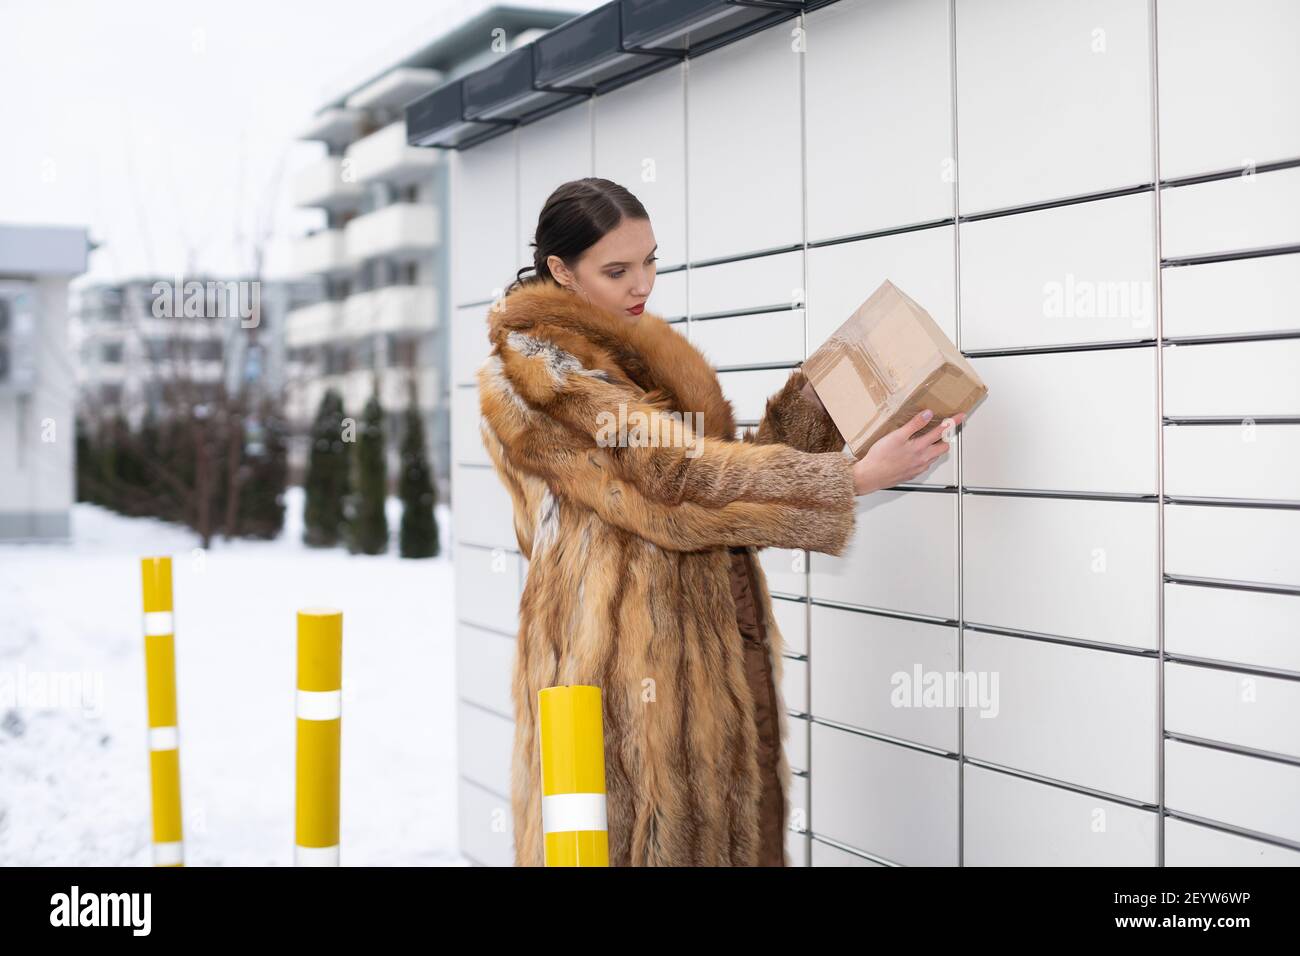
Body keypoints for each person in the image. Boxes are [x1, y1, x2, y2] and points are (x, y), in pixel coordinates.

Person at [477, 177, 964, 866]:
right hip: (620, 670)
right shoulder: (542, 378)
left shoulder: (631, 350)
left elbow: (722, 468)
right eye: (616, 270)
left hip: (700, 651)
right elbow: (675, 487)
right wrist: (850, 478)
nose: (641, 282)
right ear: (561, 269)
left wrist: (843, 391)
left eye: (650, 260)